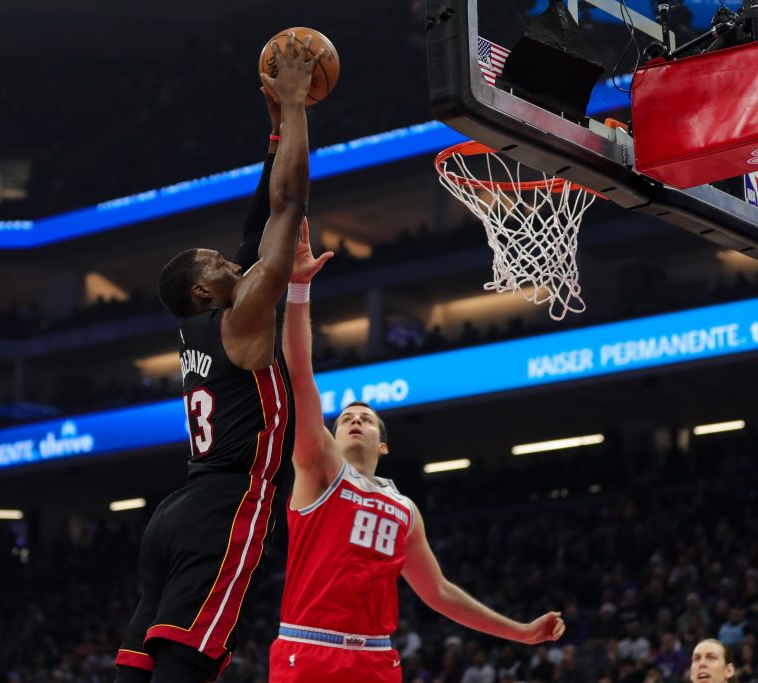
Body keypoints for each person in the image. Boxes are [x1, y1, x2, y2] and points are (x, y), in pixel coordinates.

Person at [114, 31, 325, 683]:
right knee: (185, 661)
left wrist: (272, 137)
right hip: (227, 502)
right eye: (217, 263)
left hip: (177, 510)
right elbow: (289, 207)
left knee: (137, 660)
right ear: (204, 289)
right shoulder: (241, 316)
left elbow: (256, 221)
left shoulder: (206, 326)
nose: (232, 259)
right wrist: (295, 106)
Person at [268, 225, 566, 682]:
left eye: (365, 419)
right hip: (310, 648)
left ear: (382, 445)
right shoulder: (319, 468)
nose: (354, 420)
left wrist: (521, 632)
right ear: (330, 435)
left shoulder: (403, 510)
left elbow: (440, 594)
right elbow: (301, 375)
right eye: (346, 417)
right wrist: (298, 287)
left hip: (378, 659)